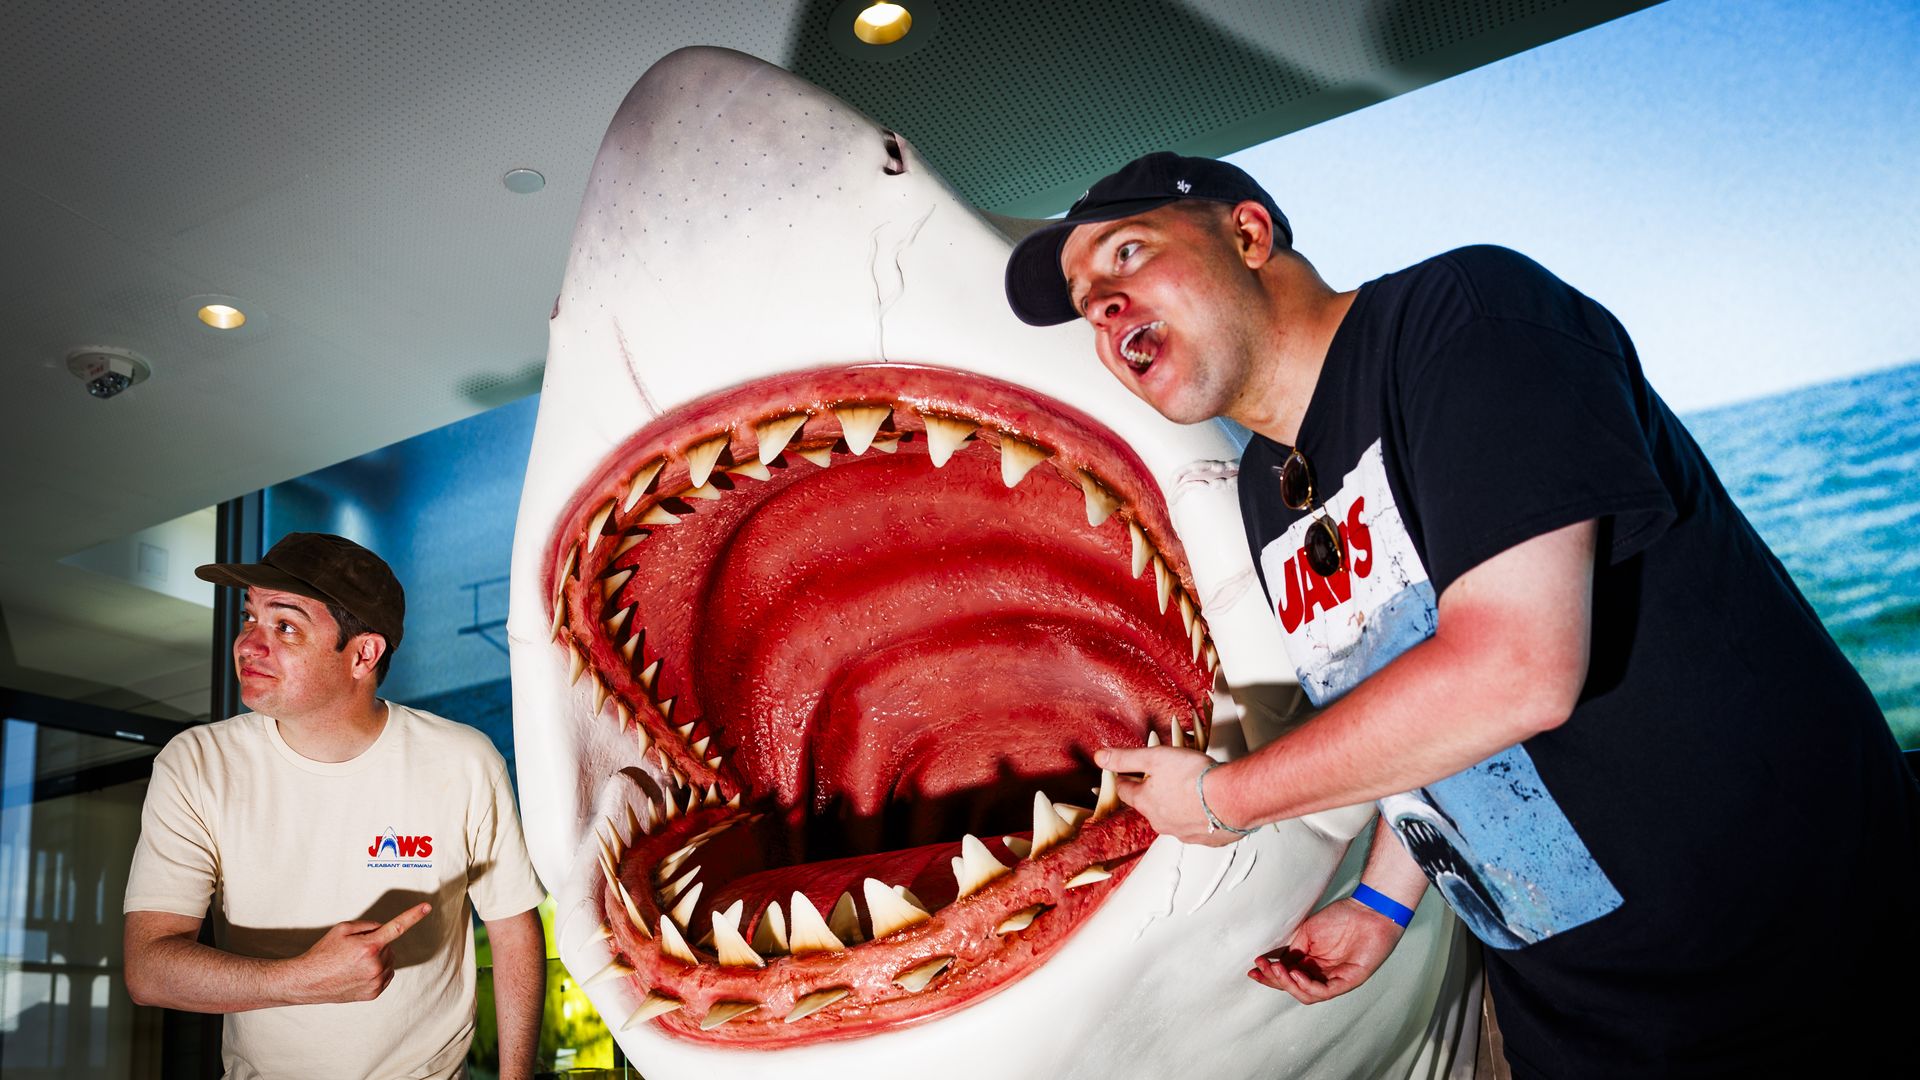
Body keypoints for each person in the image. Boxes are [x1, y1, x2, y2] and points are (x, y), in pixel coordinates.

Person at [1004, 152, 1919, 1076]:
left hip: (1800, 962)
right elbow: (1413, 703)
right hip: (1580, 1013)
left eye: (1127, 254)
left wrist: (1221, 801)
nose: (1104, 304)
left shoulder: (1466, 318)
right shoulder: (1260, 486)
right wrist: (1384, 903)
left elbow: (1514, 669)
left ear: (1249, 234)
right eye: (1087, 301)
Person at [123, 532, 548, 1080]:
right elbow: (150, 968)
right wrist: (301, 979)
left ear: (363, 654)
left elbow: (514, 930)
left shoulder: (462, 760)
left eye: (286, 626)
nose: (249, 644)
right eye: (250, 617)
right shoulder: (197, 763)